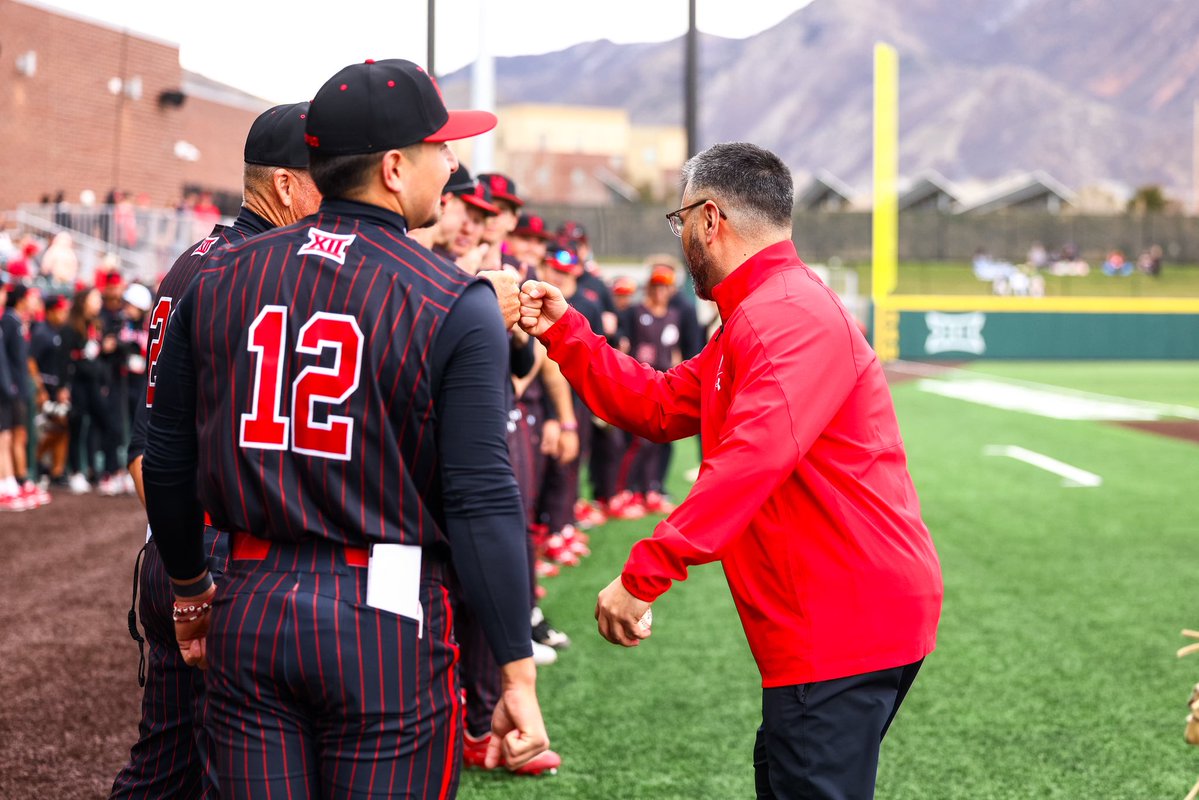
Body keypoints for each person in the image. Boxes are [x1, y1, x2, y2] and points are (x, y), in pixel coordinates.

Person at [142, 58, 549, 797]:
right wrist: (516, 670)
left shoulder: (221, 271)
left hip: (249, 597)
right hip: (381, 608)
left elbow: (166, 454)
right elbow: (483, 499)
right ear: (395, 167)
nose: (450, 164)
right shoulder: (451, 296)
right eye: (440, 148)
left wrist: (190, 587)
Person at [518, 142, 943, 799]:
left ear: (708, 219)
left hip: (840, 620)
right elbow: (659, 406)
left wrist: (644, 573)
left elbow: (751, 460)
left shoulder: (783, 315)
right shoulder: (760, 312)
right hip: (835, 617)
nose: (681, 234)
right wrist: (566, 331)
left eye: (679, 219)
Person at [110, 102, 320, 800]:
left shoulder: (198, 259)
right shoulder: (255, 271)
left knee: (164, 767)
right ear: (286, 185)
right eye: (328, 177)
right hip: (213, 556)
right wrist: (193, 570)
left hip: (176, 547)